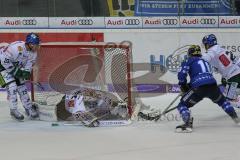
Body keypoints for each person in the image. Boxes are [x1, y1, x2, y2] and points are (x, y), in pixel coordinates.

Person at [176, 45, 239, 133]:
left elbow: (181, 75)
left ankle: (187, 124)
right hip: (212, 85)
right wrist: (189, 85)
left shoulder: (188, 60)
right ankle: (236, 119)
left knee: (182, 105)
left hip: (198, 88)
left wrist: (183, 86)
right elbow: (203, 76)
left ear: (189, 53)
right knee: (223, 102)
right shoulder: (205, 61)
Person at [0, 33, 41, 121]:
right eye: (36, 44)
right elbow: (4, 61)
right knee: (12, 87)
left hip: (14, 68)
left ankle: (28, 108)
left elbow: (28, 65)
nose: (38, 46)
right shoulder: (15, 48)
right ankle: (13, 110)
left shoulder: (33, 53)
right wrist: (17, 72)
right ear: (30, 44)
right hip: (2, 67)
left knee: (22, 87)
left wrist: (26, 73)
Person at [202, 34, 240, 108]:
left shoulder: (212, 50)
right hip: (236, 73)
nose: (205, 46)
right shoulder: (219, 48)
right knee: (224, 81)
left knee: (228, 101)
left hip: (235, 77)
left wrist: (193, 60)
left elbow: (204, 59)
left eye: (205, 44)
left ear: (209, 44)